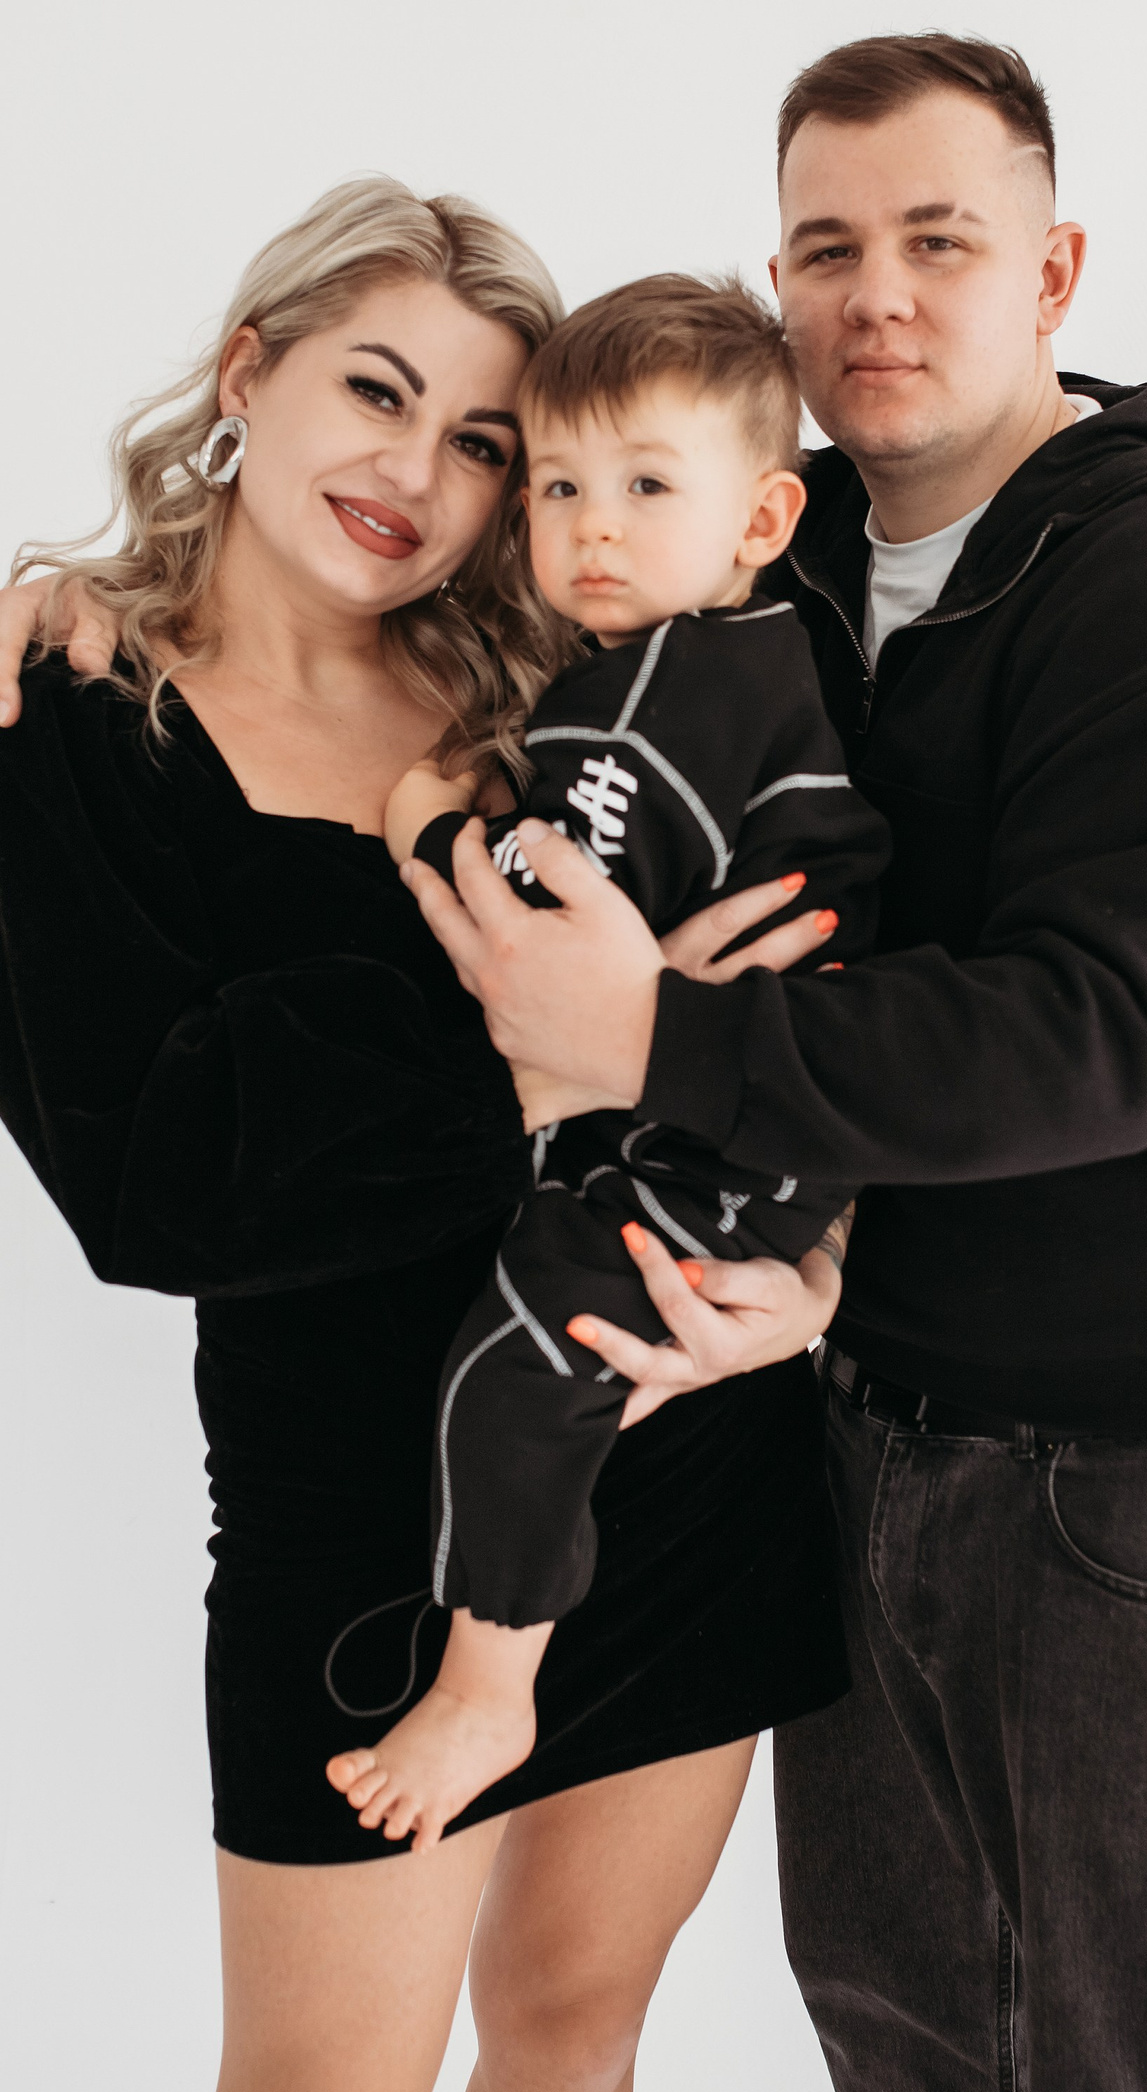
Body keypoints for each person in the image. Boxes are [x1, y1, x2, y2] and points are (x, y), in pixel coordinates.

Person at [401, 34, 1147, 2092]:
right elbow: (488, 599)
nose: (877, 293)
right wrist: (107, 592)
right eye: (827, 246)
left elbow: (1104, 1040)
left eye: (940, 241)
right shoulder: (790, 557)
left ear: (1052, 273)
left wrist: (649, 1035)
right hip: (879, 1426)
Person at [0, 176, 846, 2092]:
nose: (417, 476)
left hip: (675, 1448)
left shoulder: (565, 696)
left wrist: (810, 1282)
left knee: (575, 2038)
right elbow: (150, 1180)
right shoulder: (69, 735)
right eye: (375, 391)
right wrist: (554, 1056)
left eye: (488, 445)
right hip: (362, 1528)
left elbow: (811, 958)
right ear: (245, 372)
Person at [330, 274, 888, 1853]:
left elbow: (546, 929)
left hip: (723, 1148)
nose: (593, 531)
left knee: (524, 1358)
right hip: (767, 1126)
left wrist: (429, 825)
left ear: (762, 516)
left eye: (648, 487)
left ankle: (485, 1685)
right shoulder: (747, 660)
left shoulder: (644, 707)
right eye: (561, 488)